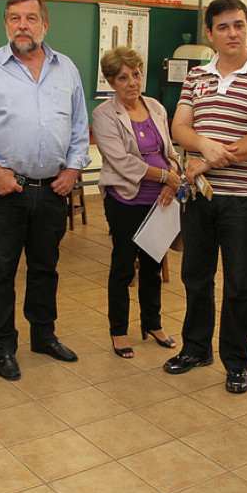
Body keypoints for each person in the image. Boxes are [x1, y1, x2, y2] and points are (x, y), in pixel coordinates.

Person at [0, 0, 91, 381]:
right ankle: (3, 346)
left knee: (45, 267)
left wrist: (72, 169)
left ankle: (43, 336)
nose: (22, 26)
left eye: (31, 18)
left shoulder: (66, 69)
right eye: (14, 18)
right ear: (6, 24)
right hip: (4, 189)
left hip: (53, 189)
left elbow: (80, 129)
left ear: (45, 25)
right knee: (0, 270)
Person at [162, 0, 247, 394]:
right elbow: (179, 127)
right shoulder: (197, 76)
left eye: (240, 25)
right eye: (224, 27)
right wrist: (205, 149)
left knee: (239, 284)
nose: (233, 33)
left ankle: (236, 361)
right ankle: (196, 348)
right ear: (210, 34)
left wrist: (208, 161)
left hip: (244, 200)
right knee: (196, 276)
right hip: (199, 196)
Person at [91, 47, 182, 359]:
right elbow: (120, 161)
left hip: (160, 199)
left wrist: (174, 176)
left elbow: (171, 151)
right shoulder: (104, 114)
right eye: (123, 77)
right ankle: (119, 330)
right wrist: (164, 177)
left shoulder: (155, 107)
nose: (132, 82)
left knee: (153, 265)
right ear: (111, 82)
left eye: (136, 74)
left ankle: (152, 323)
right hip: (125, 199)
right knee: (123, 265)